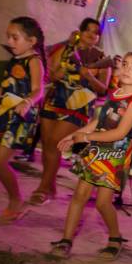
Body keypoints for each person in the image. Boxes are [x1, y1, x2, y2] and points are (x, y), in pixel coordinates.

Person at [49, 52, 132, 259]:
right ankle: (66, 240)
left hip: (114, 155)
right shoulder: (115, 93)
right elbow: (98, 121)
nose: (126, 69)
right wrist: (74, 135)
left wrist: (86, 137)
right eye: (125, 64)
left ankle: (115, 237)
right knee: (79, 195)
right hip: (95, 149)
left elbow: (120, 133)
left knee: (102, 203)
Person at [31, 18, 112, 205]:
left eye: (96, 32)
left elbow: (103, 89)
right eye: (88, 30)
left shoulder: (102, 59)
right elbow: (51, 74)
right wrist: (57, 74)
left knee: (55, 143)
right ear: (80, 31)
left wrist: (89, 76)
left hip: (79, 104)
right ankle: (50, 185)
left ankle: (43, 189)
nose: (91, 34)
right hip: (55, 99)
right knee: (47, 145)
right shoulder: (66, 49)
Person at [0, 17, 45, 223]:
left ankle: (16, 200)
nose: (10, 41)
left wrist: (27, 102)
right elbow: (6, 89)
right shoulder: (14, 60)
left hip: (20, 118)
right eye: (8, 37)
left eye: (15, 37)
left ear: (31, 41)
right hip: (3, 113)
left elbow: (38, 90)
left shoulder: (34, 61)